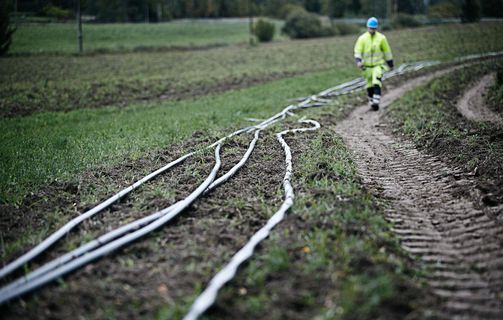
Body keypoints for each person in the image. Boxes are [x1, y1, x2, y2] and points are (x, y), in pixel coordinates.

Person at [354, 17, 394, 111]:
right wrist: (358, 61)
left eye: (374, 28)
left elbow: (387, 51)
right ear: (367, 27)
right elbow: (357, 51)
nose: (372, 30)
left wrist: (390, 63)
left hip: (377, 65)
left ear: (376, 28)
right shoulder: (362, 38)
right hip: (366, 66)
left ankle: (376, 102)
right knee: (369, 85)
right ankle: (371, 101)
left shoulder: (381, 38)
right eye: (370, 28)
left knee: (376, 82)